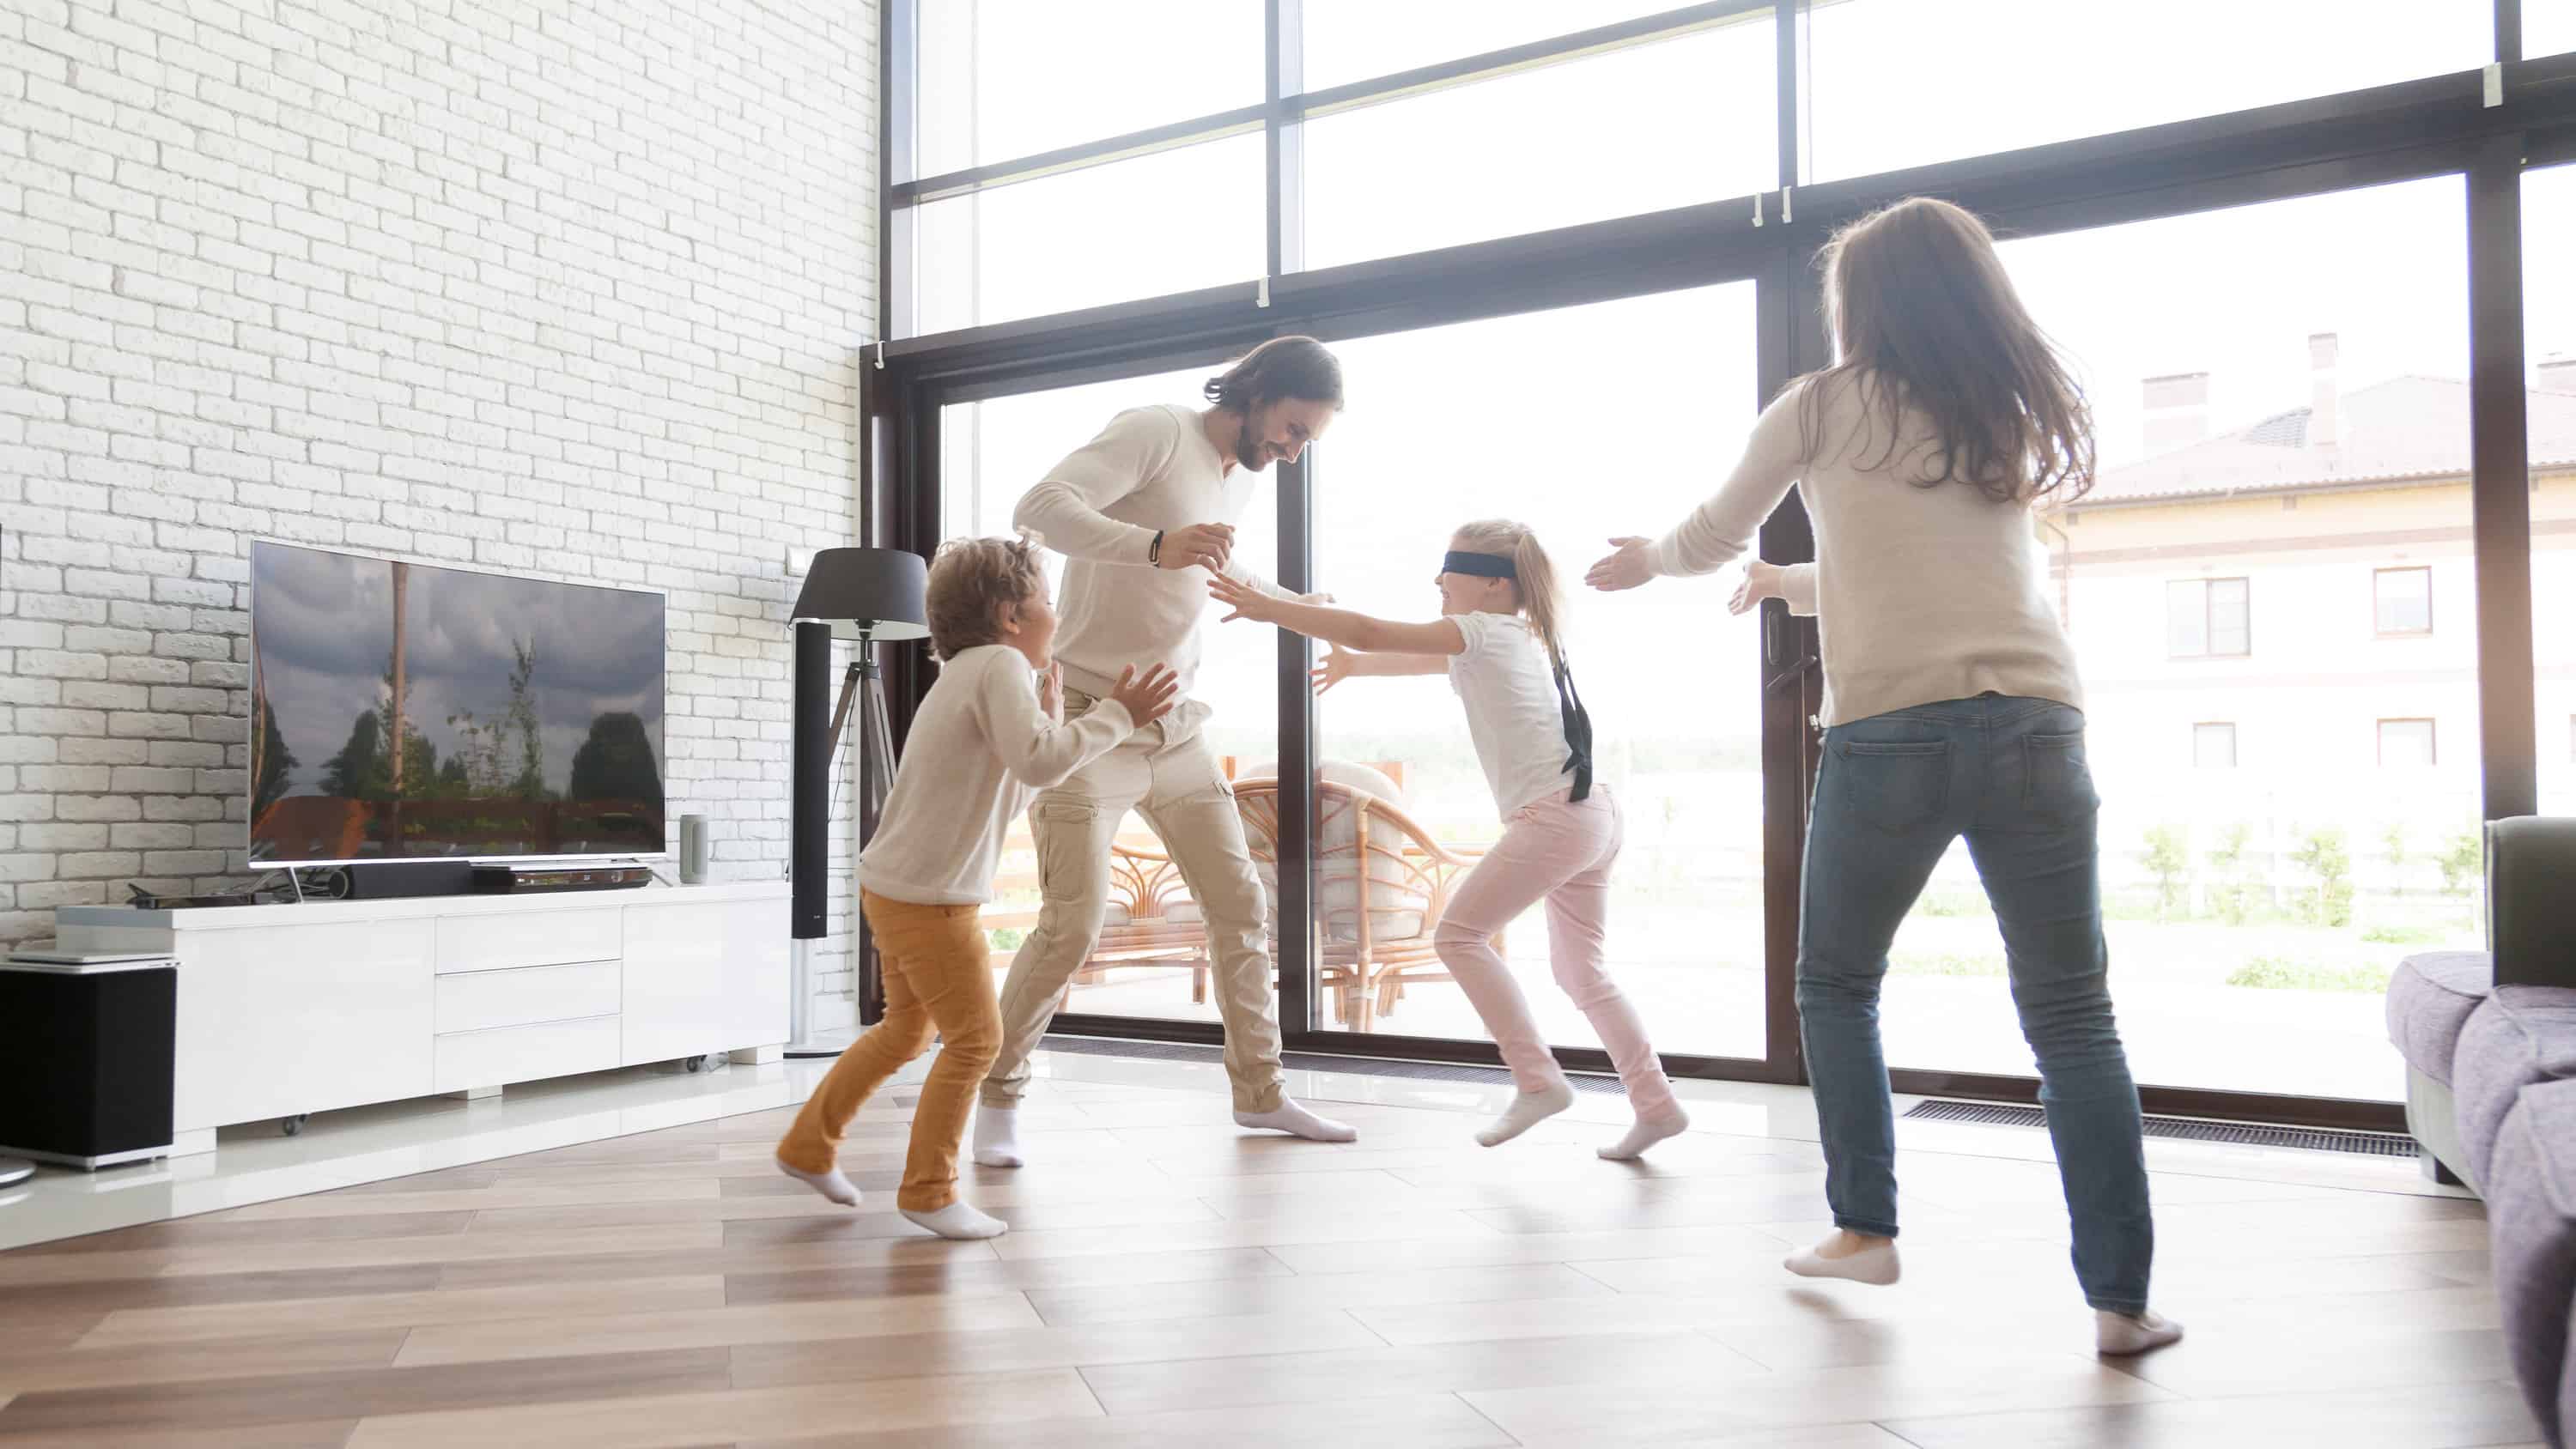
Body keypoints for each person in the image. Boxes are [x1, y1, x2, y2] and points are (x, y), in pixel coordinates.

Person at [1586, 197, 2181, 1355]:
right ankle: (2122, 1302)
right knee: (2072, 1015)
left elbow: (1708, 533)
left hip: (1892, 732)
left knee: (1839, 986)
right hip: (2035, 723)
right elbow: (1930, 569)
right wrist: (1789, 586)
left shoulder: (1821, 406)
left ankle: (1867, 1228)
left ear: (1861, 304)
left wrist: (1644, 563)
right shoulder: (2002, 410)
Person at [974, 336, 1360, 1167]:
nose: (1292, 451)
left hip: (1177, 725)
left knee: (1241, 908)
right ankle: (997, 1093)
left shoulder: (1243, 473)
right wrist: (1153, 544)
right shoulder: (1156, 429)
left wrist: (1289, 601)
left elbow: (1207, 560)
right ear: (1257, 392)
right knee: (1072, 923)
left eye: (1306, 442)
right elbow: (1039, 506)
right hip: (1091, 717)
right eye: (1292, 428)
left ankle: (1261, 1094)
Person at [1208, 519, 1689, 1160]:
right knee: (1582, 970)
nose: (1437, 580)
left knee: (1457, 936)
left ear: (1493, 584)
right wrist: (1358, 668)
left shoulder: (1484, 628)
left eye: (1450, 570)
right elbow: (1409, 655)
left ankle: (1539, 1080)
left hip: (1555, 817)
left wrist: (1276, 609)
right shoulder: (1519, 633)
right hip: (1592, 813)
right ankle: (1656, 1103)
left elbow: (1373, 629)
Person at [775, 537, 1179, 1238]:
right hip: (931, 898)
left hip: (896, 886)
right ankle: (929, 1193)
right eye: (1050, 602)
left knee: (906, 1031)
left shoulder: (971, 669)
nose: (1058, 614)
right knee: (975, 1042)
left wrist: (1056, 719)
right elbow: (1040, 762)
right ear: (1011, 615)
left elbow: (1012, 787)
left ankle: (809, 1145)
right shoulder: (997, 666)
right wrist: (1118, 715)